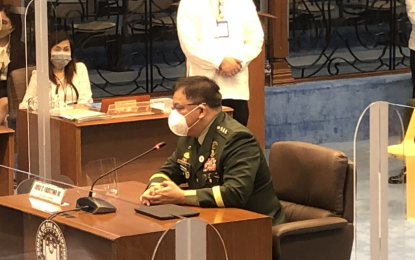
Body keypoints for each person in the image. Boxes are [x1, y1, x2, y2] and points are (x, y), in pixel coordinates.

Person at [140, 76, 285, 226]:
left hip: (255, 225)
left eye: (179, 108)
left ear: (201, 110)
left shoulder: (238, 139)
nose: (174, 114)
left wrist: (182, 196)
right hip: (213, 219)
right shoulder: (190, 135)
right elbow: (168, 171)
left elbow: (235, 193)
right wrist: (155, 190)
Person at [176, 0, 264, 126]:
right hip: (202, 89)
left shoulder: (244, 2)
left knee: (236, 140)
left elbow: (256, 39)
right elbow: (189, 44)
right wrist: (219, 61)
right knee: (204, 141)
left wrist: (237, 62)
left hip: (236, 88)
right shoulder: (189, 3)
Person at [19, 31, 92, 109]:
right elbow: (24, 105)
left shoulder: (79, 69)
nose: (62, 53)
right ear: (49, 52)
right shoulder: (39, 74)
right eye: (57, 49)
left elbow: (86, 101)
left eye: (66, 50)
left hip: (76, 117)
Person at [0, 5, 25, 126]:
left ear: (12, 27)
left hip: (8, 92)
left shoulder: (19, 48)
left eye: (4, 23)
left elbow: (19, 78)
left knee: (4, 103)